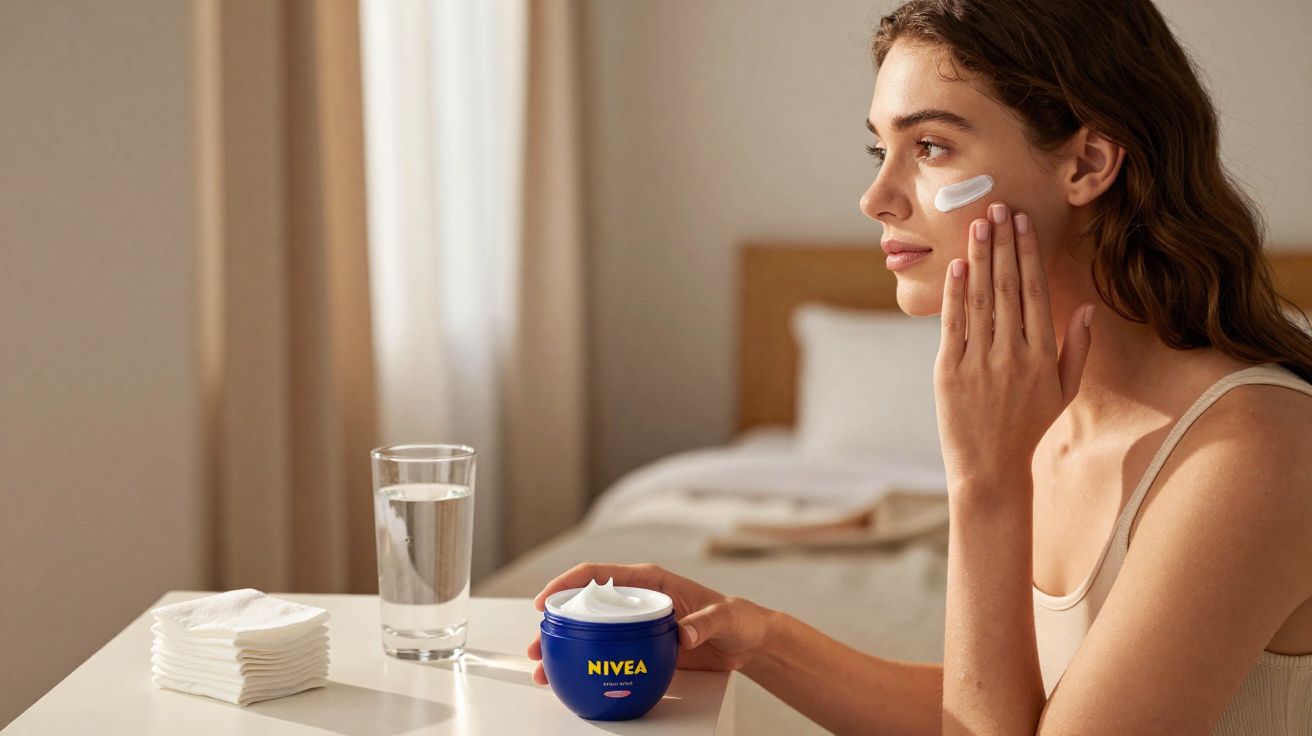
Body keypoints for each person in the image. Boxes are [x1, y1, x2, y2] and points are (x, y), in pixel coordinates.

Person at [527, 0, 1312, 732]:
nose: (875, 196)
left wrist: (986, 484)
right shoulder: (1052, 408)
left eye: (930, 146)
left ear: (1088, 163)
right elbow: (1011, 710)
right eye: (881, 147)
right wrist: (754, 635)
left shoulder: (1253, 452)